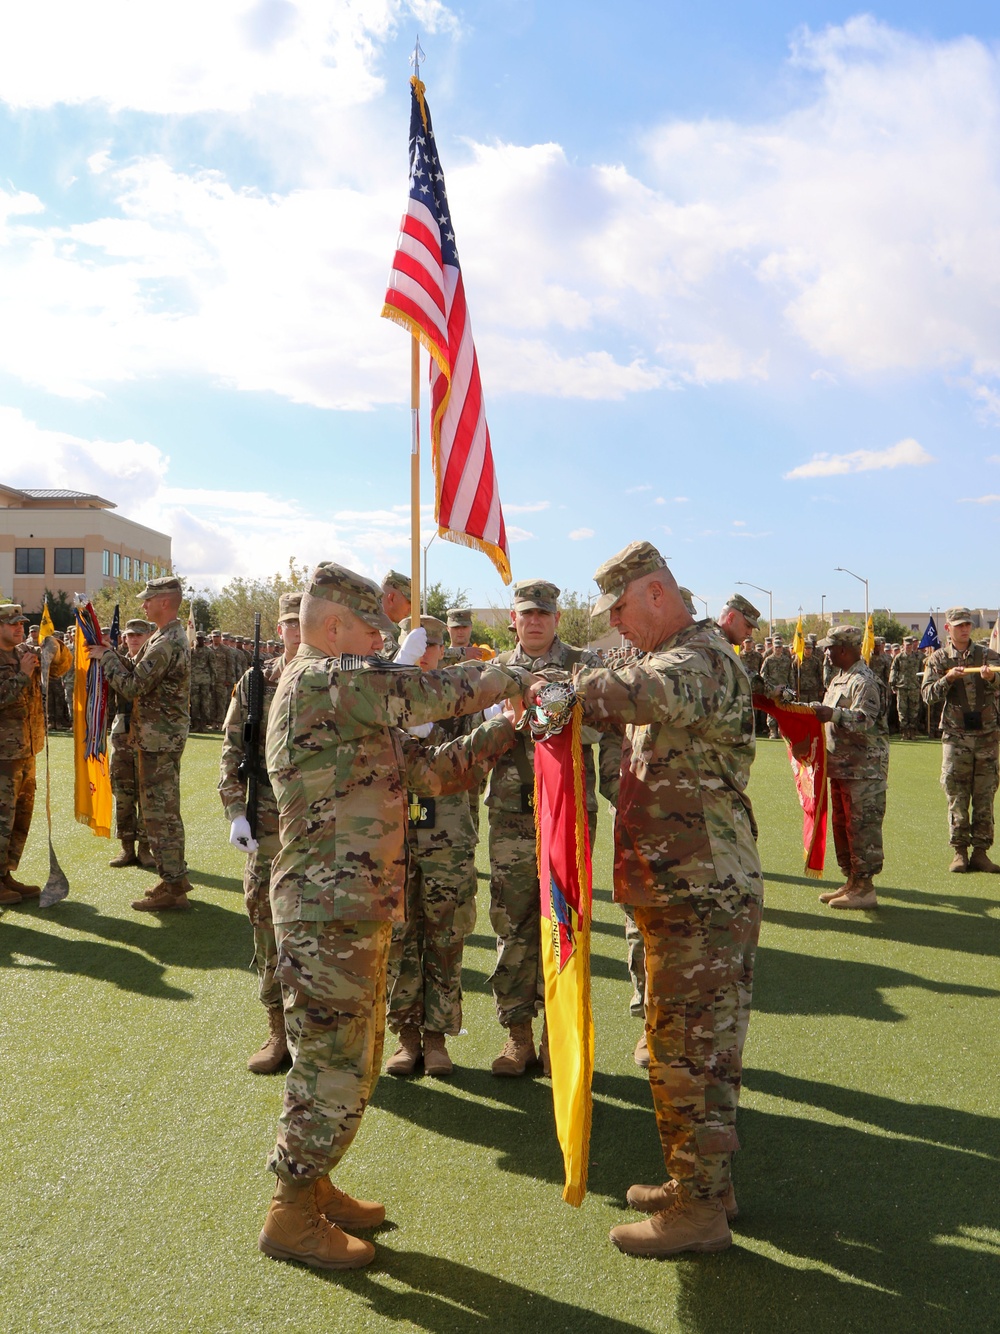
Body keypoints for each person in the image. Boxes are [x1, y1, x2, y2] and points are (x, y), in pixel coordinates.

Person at [257, 562, 527, 1271]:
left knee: (352, 1057)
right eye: (373, 632)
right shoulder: (324, 677)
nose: (382, 645)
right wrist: (511, 673)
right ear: (337, 626)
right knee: (331, 1066)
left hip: (350, 906)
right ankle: (290, 1212)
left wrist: (504, 729)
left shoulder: (348, 694)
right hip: (327, 909)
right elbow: (431, 690)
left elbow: (430, 773)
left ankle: (311, 1185)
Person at [540, 541, 761, 1258]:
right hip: (683, 890)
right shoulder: (673, 656)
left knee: (685, 1052)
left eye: (622, 610)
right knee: (702, 1049)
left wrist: (550, 676)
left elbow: (627, 692)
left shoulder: (699, 659)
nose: (616, 626)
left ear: (658, 594)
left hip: (701, 895)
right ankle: (705, 1186)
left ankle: (698, 1213)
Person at [486, 579, 615, 1077]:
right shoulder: (495, 672)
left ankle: (557, 1036)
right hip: (513, 816)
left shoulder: (587, 666)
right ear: (514, 620)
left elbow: (606, 729)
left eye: (543, 614)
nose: (534, 621)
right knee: (513, 921)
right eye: (525, 614)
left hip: (567, 816)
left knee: (566, 920)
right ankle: (518, 1037)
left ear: (557, 619)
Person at [384, 616, 484, 1077]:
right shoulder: (381, 690)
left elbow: (473, 760)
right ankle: (406, 1038)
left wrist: (431, 730)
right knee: (400, 936)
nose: (427, 654)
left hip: (447, 830)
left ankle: (438, 1038)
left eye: (434, 645)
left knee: (445, 934)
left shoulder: (460, 694)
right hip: (393, 833)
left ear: (443, 651)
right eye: (418, 645)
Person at [219, 593, 302, 1073]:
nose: (294, 631)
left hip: (317, 832)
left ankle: (315, 1038)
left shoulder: (332, 679)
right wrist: (236, 813)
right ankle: (277, 1032)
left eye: (301, 622)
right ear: (277, 627)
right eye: (288, 623)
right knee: (266, 926)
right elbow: (230, 755)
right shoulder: (255, 682)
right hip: (266, 826)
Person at [90, 576, 192, 912]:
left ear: (165, 602)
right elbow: (136, 671)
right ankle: (171, 879)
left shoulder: (167, 642)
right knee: (158, 811)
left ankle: (174, 886)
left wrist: (106, 658)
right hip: (154, 736)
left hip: (158, 739)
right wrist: (110, 652)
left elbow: (133, 686)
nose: (143, 605)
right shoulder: (163, 637)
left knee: (160, 813)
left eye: (148, 600)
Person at [811, 626, 889, 909]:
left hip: (864, 771)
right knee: (844, 827)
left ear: (844, 649)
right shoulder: (839, 679)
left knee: (863, 828)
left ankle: (865, 887)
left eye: (830, 648)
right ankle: (852, 881)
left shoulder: (864, 680)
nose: (826, 653)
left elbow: (866, 719)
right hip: (842, 767)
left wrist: (832, 713)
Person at [0, 604, 72, 902]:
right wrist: (22, 675)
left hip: (26, 750)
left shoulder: (23, 653)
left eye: (21, 623)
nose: (19, 628)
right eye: (12, 624)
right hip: (3, 755)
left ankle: (5, 875)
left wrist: (56, 646)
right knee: (1, 818)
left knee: (19, 818)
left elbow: (60, 668)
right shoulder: (16, 661)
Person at [921, 608, 1000, 873]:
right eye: (959, 625)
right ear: (948, 629)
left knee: (985, 795)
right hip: (956, 737)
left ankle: (980, 852)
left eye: (967, 624)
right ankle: (959, 852)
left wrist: (992, 678)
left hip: (987, 736)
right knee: (956, 793)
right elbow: (928, 696)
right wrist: (948, 678)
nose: (964, 629)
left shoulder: (988, 655)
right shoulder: (939, 659)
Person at [107, 619, 156, 870]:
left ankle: (145, 848)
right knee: (123, 792)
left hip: (148, 734)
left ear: (149, 635)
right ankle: (126, 847)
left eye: (139, 634)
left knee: (146, 792)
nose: (134, 639)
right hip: (122, 732)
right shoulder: (119, 662)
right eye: (130, 635)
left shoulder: (154, 661)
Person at [889, 636, 924, 740]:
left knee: (914, 710)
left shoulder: (918, 658)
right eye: (906, 645)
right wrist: (892, 683)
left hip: (914, 687)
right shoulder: (899, 657)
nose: (908, 647)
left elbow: (922, 671)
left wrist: (922, 684)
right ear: (903, 646)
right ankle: (904, 732)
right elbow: (893, 670)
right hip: (902, 686)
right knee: (902, 710)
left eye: (910, 645)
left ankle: (912, 732)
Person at [760, 635, 795, 738]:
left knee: (784, 710)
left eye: (780, 647)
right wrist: (769, 687)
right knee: (772, 711)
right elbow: (763, 675)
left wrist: (792, 689)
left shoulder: (787, 660)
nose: (778, 649)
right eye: (776, 647)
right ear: (773, 648)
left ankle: (782, 731)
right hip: (773, 689)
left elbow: (791, 675)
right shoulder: (768, 660)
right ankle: (772, 731)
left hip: (785, 690)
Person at [380, 570, 411, 658]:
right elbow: (397, 662)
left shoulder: (382, 627)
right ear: (392, 599)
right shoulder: (378, 630)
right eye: (409, 602)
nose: (411, 609)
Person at [189, 631, 216, 733]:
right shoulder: (191, 651)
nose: (199, 640)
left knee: (205, 704)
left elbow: (213, 668)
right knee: (194, 703)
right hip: (194, 681)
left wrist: (213, 682)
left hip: (205, 681)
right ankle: (195, 724)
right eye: (198, 638)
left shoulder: (209, 652)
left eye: (201, 638)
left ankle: (204, 725)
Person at [794, 634, 825, 703]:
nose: (808, 650)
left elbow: (821, 675)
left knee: (813, 710)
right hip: (801, 691)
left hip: (813, 690)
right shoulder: (797, 661)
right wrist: (794, 689)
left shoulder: (816, 661)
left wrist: (821, 688)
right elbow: (793, 675)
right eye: (806, 648)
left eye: (810, 648)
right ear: (803, 649)